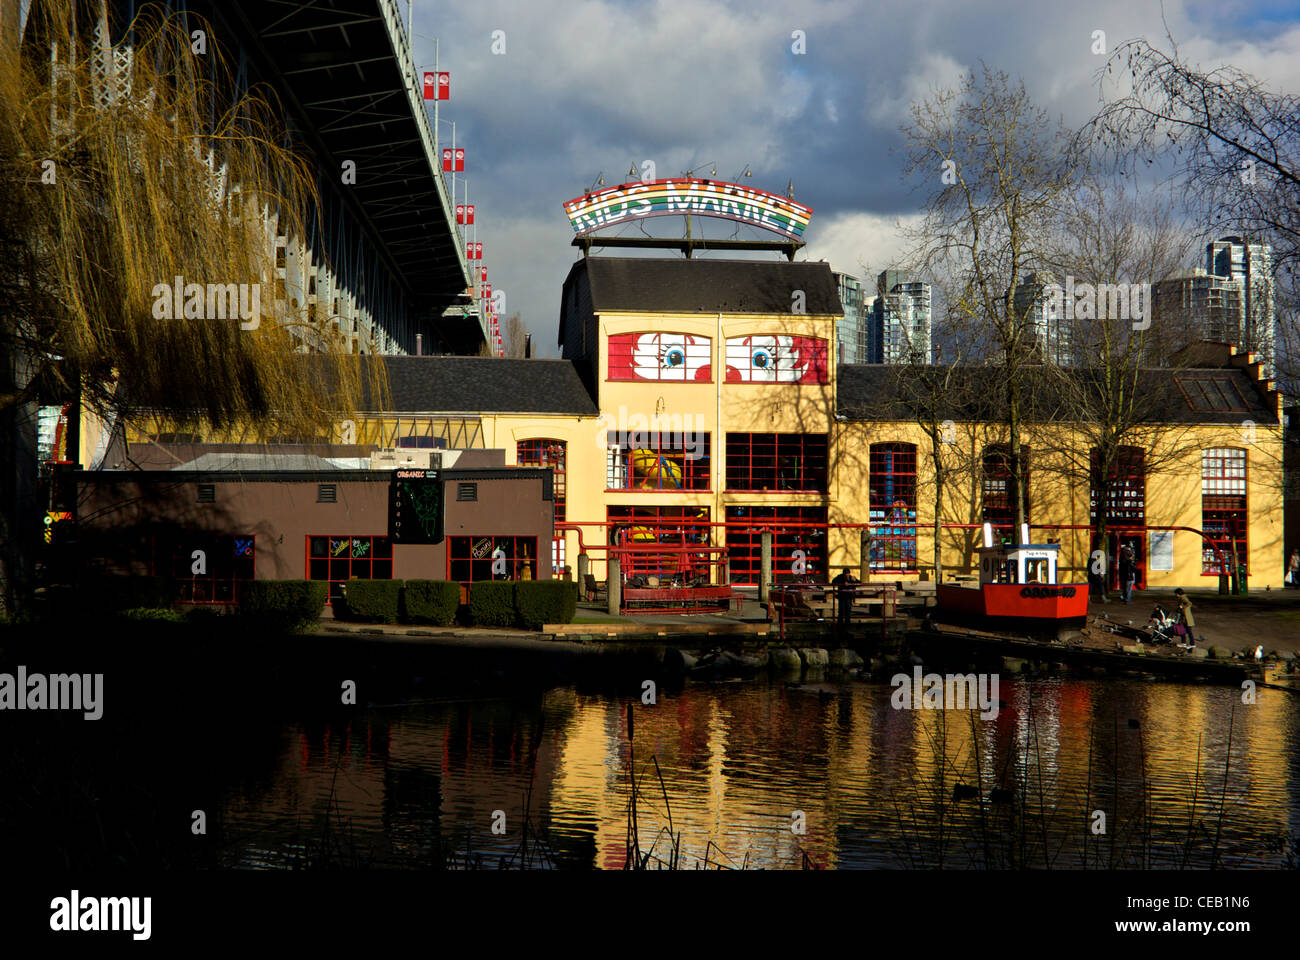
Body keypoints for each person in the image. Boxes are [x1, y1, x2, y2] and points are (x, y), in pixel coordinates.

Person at [831, 567, 858, 632]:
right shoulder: (840, 577)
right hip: (842, 596)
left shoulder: (851, 577)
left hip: (848, 597)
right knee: (841, 611)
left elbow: (859, 583)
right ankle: (840, 625)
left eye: (848, 574)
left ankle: (847, 625)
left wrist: (855, 581)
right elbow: (833, 581)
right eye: (846, 574)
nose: (847, 575)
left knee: (848, 611)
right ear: (843, 574)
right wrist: (843, 583)